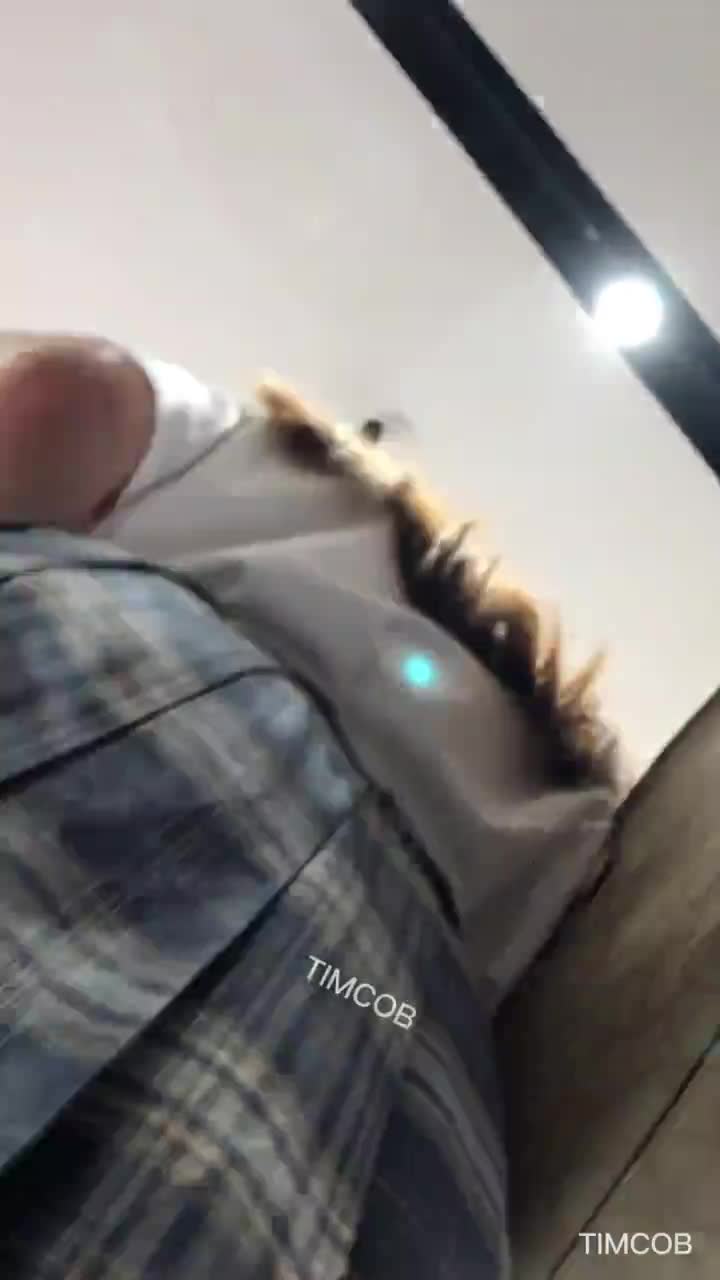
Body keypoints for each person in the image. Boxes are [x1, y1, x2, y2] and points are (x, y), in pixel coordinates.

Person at [0, 335, 620, 1279]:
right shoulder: (572, 821)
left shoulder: (289, 470)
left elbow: (67, 396)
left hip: (169, 715)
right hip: (405, 1064)